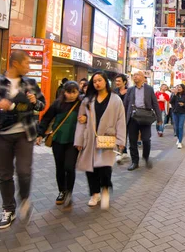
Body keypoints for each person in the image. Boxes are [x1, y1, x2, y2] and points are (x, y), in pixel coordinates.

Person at [0, 51, 46, 229]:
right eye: (27, 63)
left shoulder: (30, 83)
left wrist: (35, 101)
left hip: (25, 134)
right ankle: (8, 209)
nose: (29, 67)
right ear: (15, 63)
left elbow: (42, 104)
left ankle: (25, 199)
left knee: (24, 171)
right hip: (1, 135)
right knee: (4, 174)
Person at [74, 72, 126, 210]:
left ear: (106, 82)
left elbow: (121, 120)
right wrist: (79, 141)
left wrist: (121, 140)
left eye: (100, 80)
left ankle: (105, 190)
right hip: (89, 139)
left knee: (105, 168)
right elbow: (81, 121)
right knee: (90, 168)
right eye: (95, 81)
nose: (97, 83)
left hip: (107, 139)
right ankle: (94, 193)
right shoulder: (87, 100)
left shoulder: (115, 100)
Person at [37, 81, 82, 207]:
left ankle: (69, 192)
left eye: (74, 92)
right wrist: (40, 133)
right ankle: (62, 191)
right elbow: (46, 118)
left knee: (69, 167)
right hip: (58, 140)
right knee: (60, 167)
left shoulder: (81, 104)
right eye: (69, 92)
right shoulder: (58, 103)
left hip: (73, 141)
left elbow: (90, 118)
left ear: (78, 92)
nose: (72, 95)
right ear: (64, 92)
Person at [124, 70, 161, 171]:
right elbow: (125, 105)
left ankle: (146, 157)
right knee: (132, 141)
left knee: (146, 139)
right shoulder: (130, 90)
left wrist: (159, 118)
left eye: (137, 75)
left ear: (143, 77)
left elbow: (155, 103)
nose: (135, 77)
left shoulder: (149, 89)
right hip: (133, 117)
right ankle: (134, 162)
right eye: (134, 75)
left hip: (145, 116)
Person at [113, 74, 130, 164]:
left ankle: (121, 151)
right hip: (116, 115)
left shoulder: (129, 91)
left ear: (124, 82)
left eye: (119, 81)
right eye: (116, 81)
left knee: (123, 133)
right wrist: (120, 94)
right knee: (116, 133)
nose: (117, 83)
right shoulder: (114, 91)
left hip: (126, 115)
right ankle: (121, 152)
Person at [170, 84, 185, 149]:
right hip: (175, 112)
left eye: (180, 87)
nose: (179, 88)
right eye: (178, 87)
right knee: (176, 127)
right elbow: (171, 102)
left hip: (182, 113)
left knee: (180, 127)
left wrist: (183, 104)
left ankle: (180, 142)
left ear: (183, 88)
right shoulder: (174, 94)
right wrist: (175, 95)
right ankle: (178, 138)